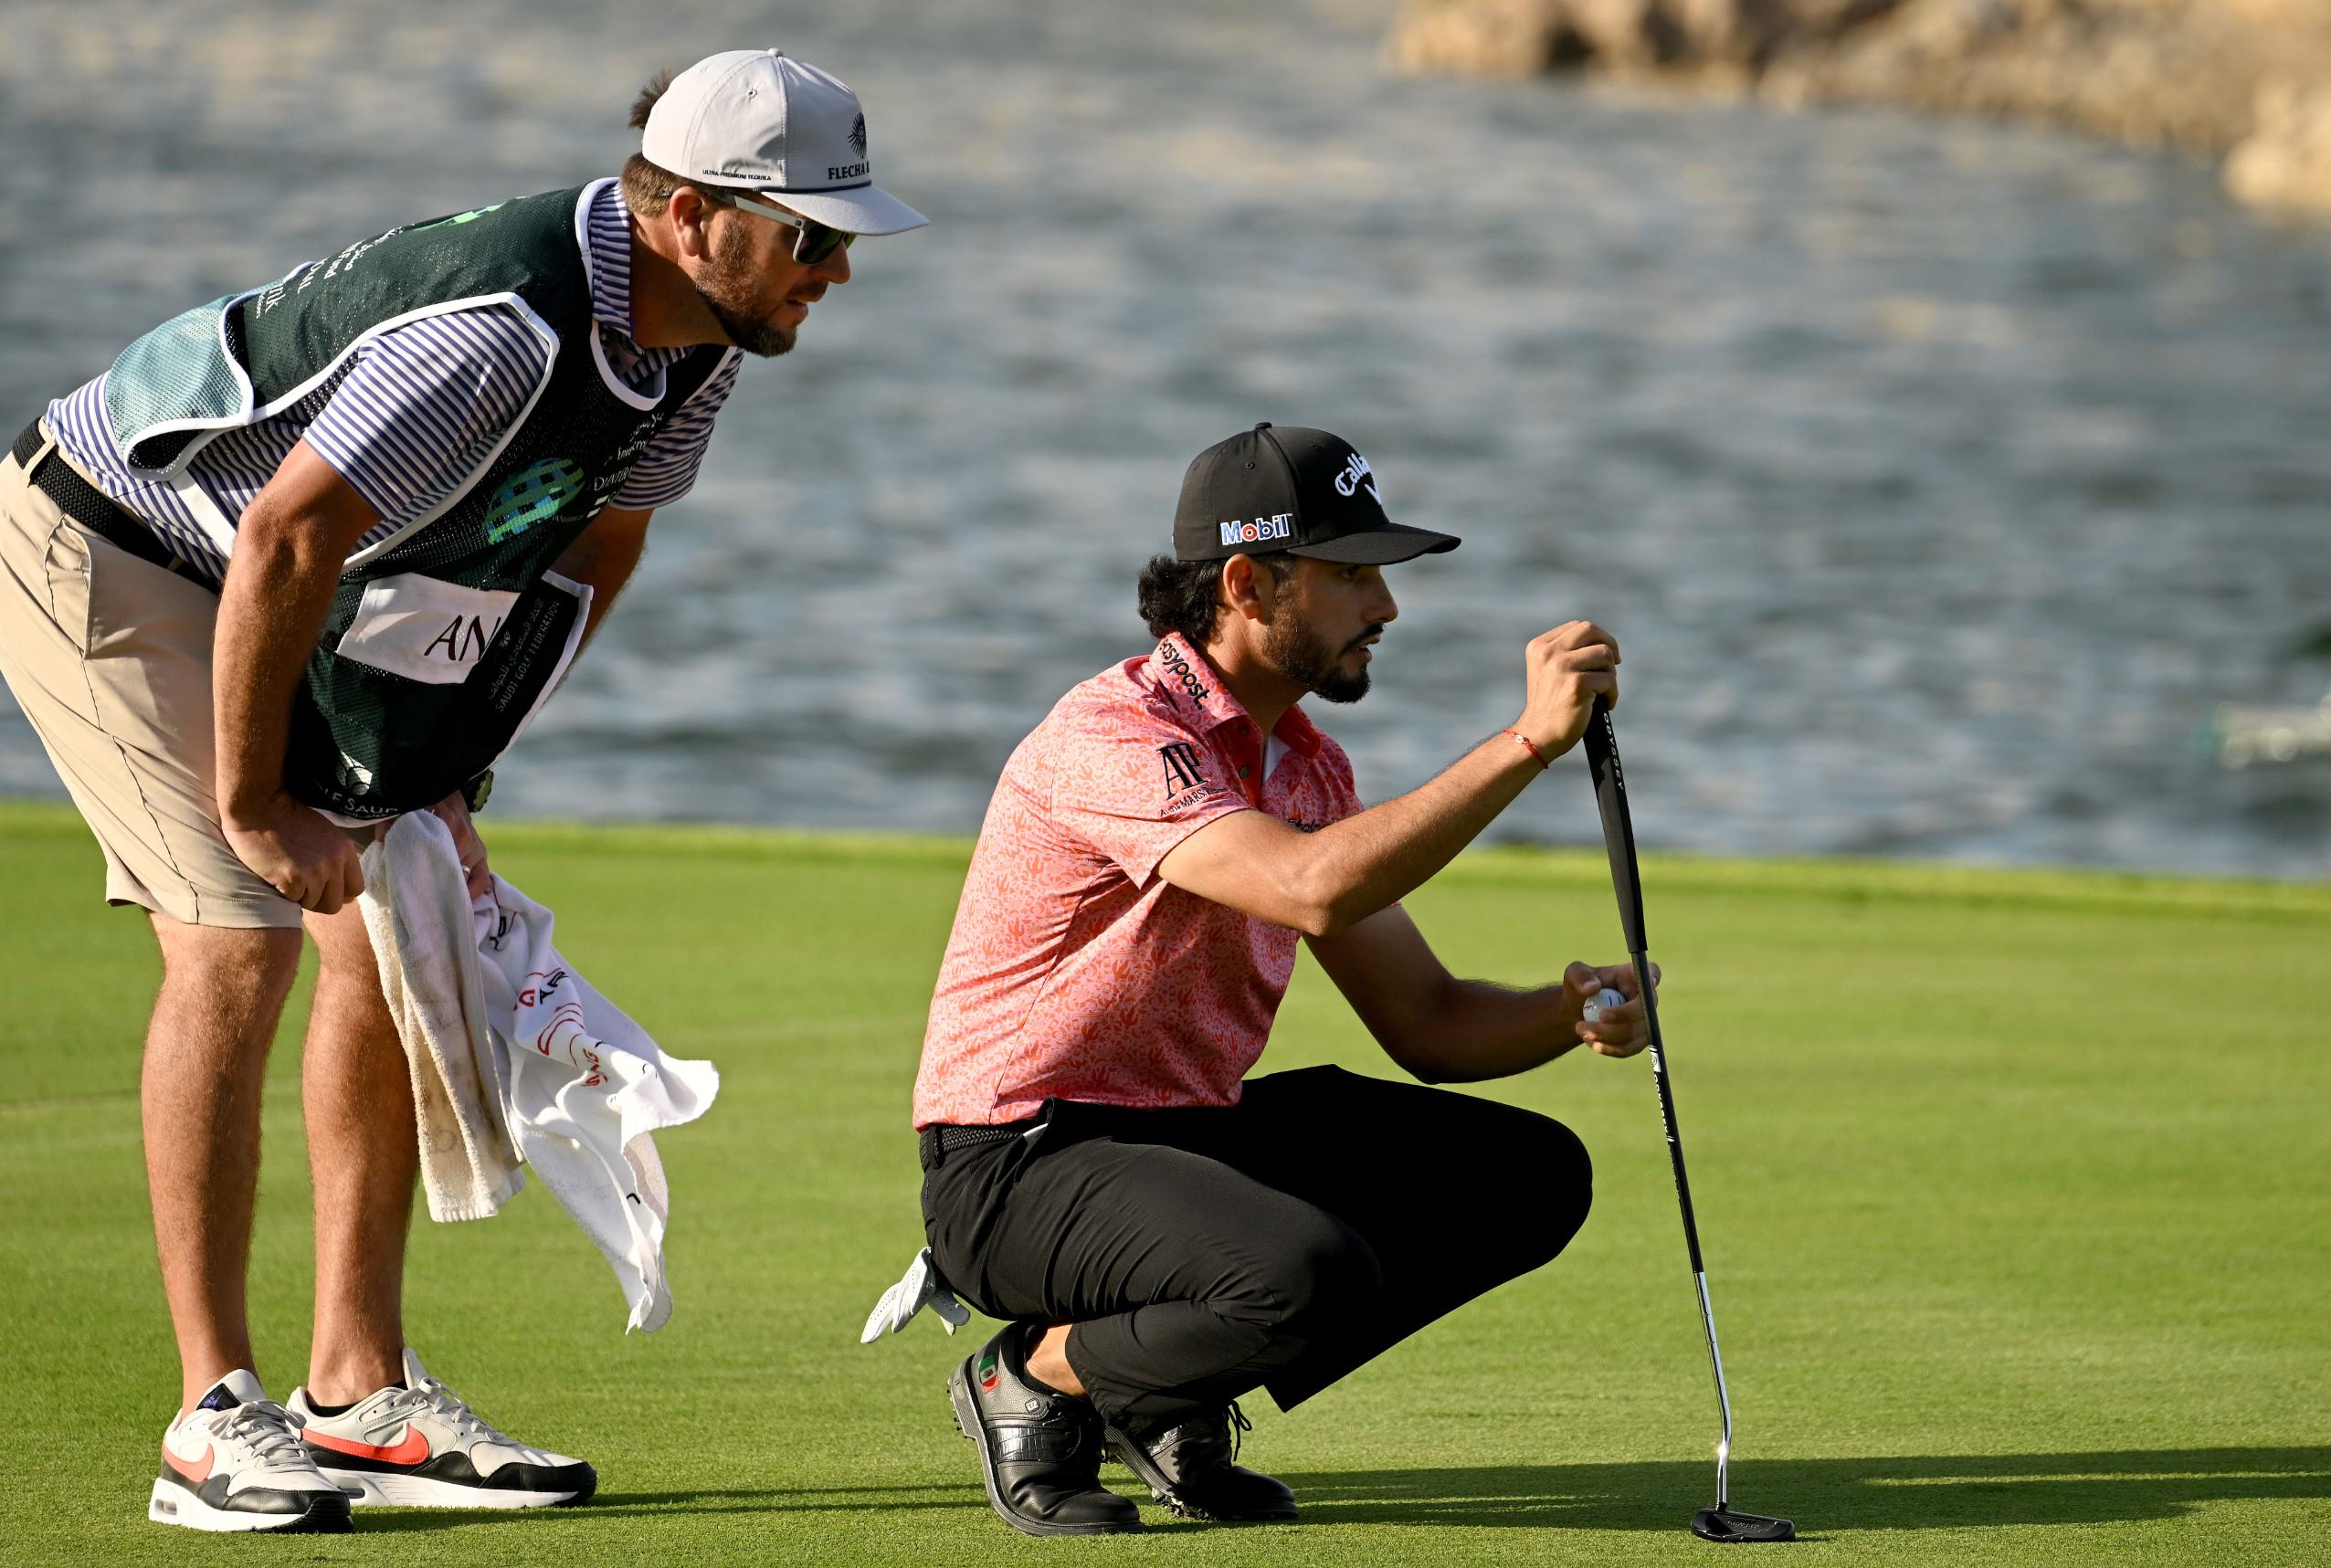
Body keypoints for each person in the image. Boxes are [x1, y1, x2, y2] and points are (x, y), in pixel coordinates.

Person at [0, 48, 924, 1534]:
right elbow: (285, 543)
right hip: (111, 537)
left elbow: (585, 551)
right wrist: (253, 805)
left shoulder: (700, 342)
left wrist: (447, 762)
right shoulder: (503, 334)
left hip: (284, 571)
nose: (837, 269)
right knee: (239, 928)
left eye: (845, 238)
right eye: (810, 235)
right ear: (691, 216)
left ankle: (355, 1394)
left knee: (377, 906)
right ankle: (206, 1420)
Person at [911, 423, 1655, 1536]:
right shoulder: (1112, 732)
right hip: (1019, 1161)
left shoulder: (1307, 762)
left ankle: (1157, 1390)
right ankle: (1040, 1379)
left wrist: (1568, 1011)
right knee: (1306, 1272)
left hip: (1180, 1136)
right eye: (1352, 576)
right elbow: (1308, 888)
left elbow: (1429, 1022)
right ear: (1248, 583)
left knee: (1528, 1173)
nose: (1386, 609)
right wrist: (1525, 744)